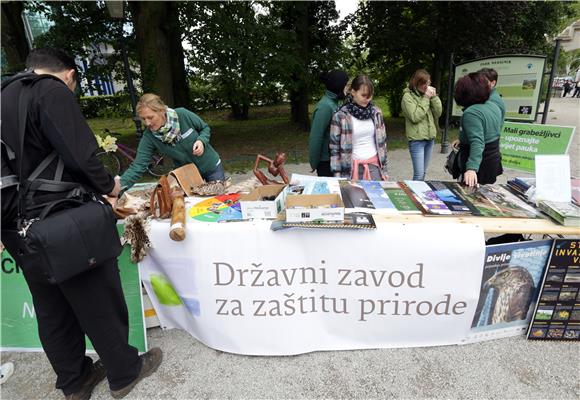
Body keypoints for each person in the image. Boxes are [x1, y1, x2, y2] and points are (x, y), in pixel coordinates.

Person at [0, 48, 162, 399]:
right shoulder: (49, 90)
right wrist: (109, 187)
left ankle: (75, 382)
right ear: (70, 75)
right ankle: (124, 372)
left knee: (52, 308)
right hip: (61, 220)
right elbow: (80, 153)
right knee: (97, 298)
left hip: (16, 226)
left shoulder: (4, 94)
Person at [120, 93, 225, 190]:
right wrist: (116, 189)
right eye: (143, 119)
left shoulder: (182, 114)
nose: (147, 123)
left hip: (212, 167)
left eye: (150, 117)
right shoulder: (149, 137)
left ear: (161, 111)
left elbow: (204, 128)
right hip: (187, 175)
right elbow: (138, 166)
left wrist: (201, 141)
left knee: (219, 203)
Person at [329, 74, 388, 180]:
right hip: (350, 170)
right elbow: (334, 149)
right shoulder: (340, 115)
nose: (367, 99)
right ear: (353, 92)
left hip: (374, 167)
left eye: (370, 95)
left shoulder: (377, 113)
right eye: (364, 95)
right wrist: (337, 176)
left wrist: (384, 170)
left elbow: (382, 143)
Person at [452, 72, 503, 187]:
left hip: (479, 164)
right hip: (492, 160)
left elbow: (477, 142)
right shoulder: (493, 105)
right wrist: (463, 138)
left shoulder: (471, 112)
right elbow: (487, 131)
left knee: (469, 198)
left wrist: (471, 168)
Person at [401, 69, 442, 181]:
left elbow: (438, 113)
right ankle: (414, 197)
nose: (426, 86)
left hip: (430, 138)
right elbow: (415, 117)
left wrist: (434, 97)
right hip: (417, 140)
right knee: (418, 175)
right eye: (424, 83)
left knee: (423, 173)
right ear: (416, 82)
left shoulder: (427, 96)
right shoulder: (407, 97)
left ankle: (419, 196)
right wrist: (426, 98)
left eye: (428, 83)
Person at [309, 70, 349, 177]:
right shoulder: (325, 107)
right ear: (339, 86)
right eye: (346, 85)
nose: (348, 89)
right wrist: (314, 162)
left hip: (336, 158)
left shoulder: (336, 102)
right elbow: (316, 137)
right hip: (326, 162)